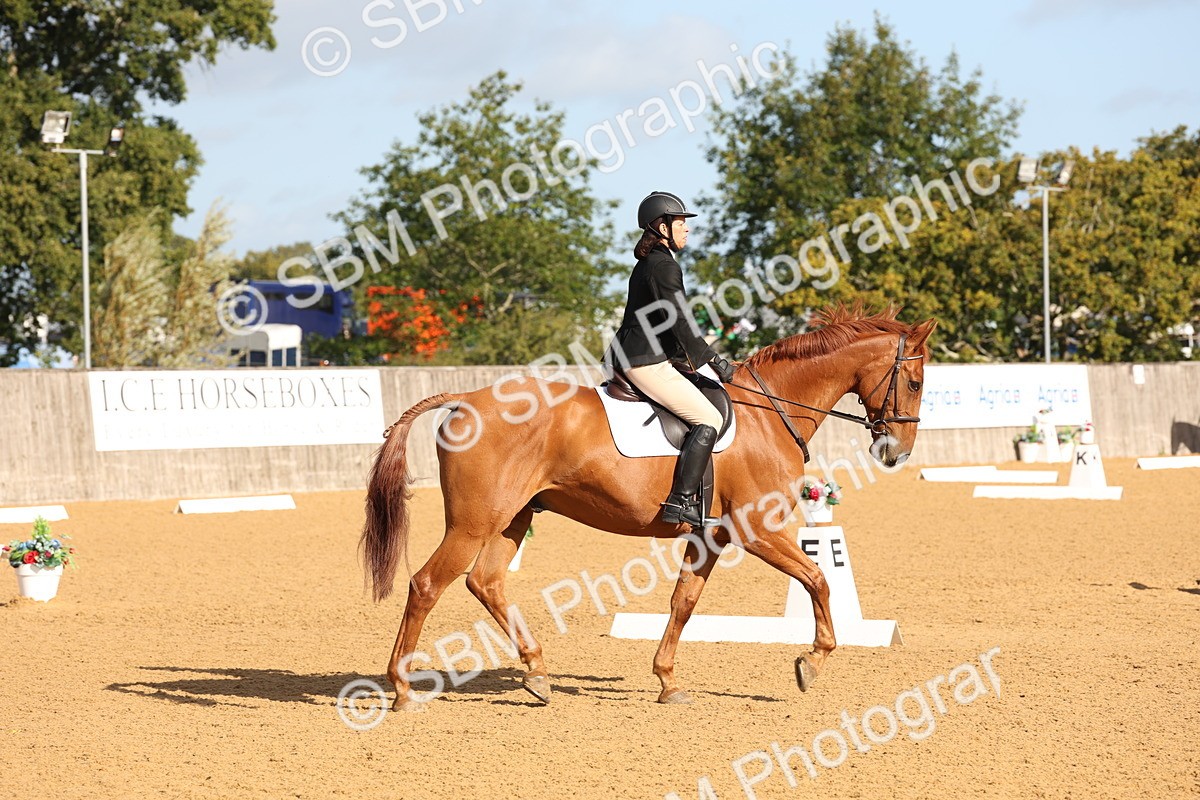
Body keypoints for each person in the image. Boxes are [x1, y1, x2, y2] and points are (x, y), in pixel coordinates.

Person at [607, 190, 735, 527]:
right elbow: (679, 321)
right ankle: (680, 502)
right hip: (644, 360)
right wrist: (714, 361)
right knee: (708, 418)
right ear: (661, 227)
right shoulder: (662, 267)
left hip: (646, 354)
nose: (687, 229)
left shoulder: (655, 263)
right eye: (680, 222)